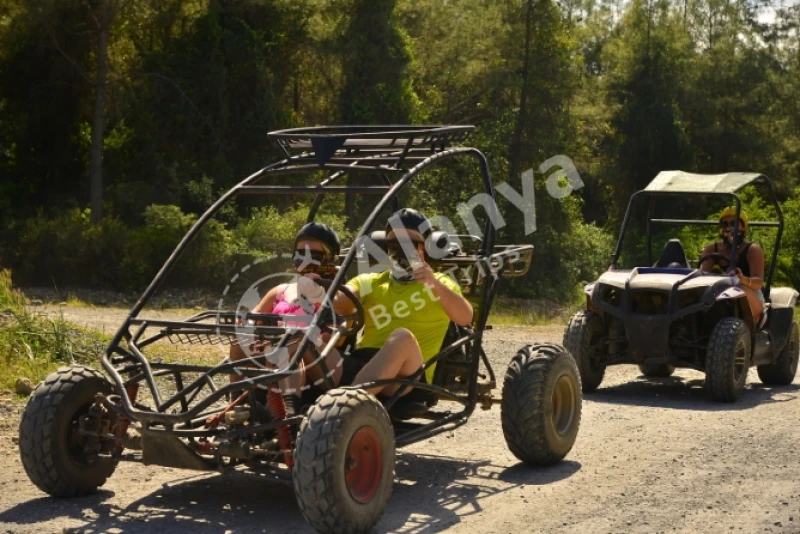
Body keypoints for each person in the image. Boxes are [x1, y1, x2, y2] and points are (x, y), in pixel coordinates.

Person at [334, 208, 473, 402]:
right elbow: (336, 303)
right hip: (362, 365)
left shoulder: (440, 283)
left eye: (409, 243)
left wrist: (432, 282)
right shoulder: (371, 281)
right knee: (302, 339)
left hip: (406, 380)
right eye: (394, 243)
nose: (401, 249)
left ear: (424, 247)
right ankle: (285, 415)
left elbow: (465, 317)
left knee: (402, 337)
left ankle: (347, 405)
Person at [228, 222, 344, 398]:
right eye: (300, 255)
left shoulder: (338, 294)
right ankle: (237, 403)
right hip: (274, 356)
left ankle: (288, 413)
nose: (305, 261)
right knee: (241, 335)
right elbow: (253, 318)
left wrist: (313, 296)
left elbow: (335, 338)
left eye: (314, 255)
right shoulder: (281, 290)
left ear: (329, 259)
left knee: (293, 340)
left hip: (324, 365)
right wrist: (251, 327)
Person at [699, 207, 765, 320]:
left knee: (740, 288)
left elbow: (759, 282)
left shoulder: (753, 250)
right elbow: (701, 275)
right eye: (725, 224)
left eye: (734, 223)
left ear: (743, 227)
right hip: (721, 293)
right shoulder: (712, 249)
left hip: (749, 293)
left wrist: (743, 279)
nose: (729, 228)